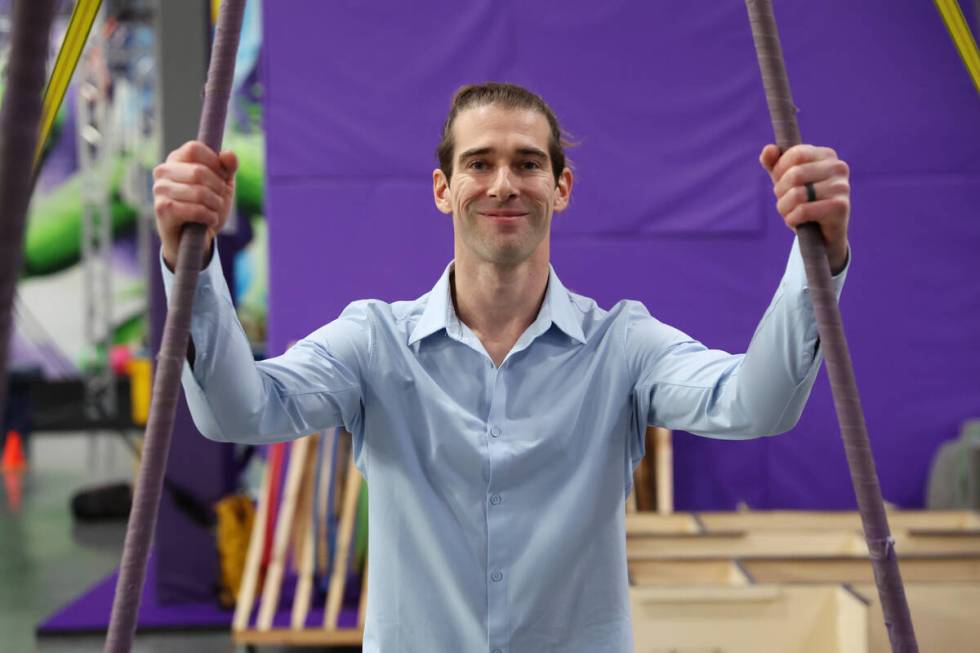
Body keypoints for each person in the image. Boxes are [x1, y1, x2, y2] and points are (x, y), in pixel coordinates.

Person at [153, 83, 851, 652]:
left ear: (562, 187)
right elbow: (238, 412)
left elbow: (757, 404)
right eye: (479, 163)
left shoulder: (622, 345)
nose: (503, 183)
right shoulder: (373, 342)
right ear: (443, 189)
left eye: (527, 163)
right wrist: (194, 262)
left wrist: (814, 258)